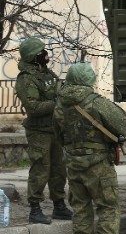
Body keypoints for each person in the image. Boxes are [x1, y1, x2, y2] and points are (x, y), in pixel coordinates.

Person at [52, 63, 126, 234]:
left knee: (80, 210)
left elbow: (58, 137)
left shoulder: (59, 106)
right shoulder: (97, 103)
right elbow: (123, 125)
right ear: (89, 81)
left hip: (73, 165)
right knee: (108, 209)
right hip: (99, 165)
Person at [14, 37, 73, 224]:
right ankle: (35, 209)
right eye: (41, 52)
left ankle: (59, 206)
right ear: (33, 56)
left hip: (55, 129)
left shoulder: (48, 74)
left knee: (59, 169)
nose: (45, 55)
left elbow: (59, 91)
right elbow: (33, 107)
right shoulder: (26, 79)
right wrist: (57, 103)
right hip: (39, 131)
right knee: (41, 169)